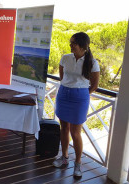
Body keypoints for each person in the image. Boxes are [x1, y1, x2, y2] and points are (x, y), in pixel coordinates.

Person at [52, 32, 100, 178]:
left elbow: (95, 85)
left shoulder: (92, 62)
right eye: (70, 42)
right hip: (63, 95)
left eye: (73, 43)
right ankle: (64, 157)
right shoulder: (66, 57)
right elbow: (62, 76)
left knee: (75, 132)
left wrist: (82, 94)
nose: (70, 45)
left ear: (83, 45)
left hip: (80, 98)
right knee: (64, 128)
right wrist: (68, 87)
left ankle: (77, 163)